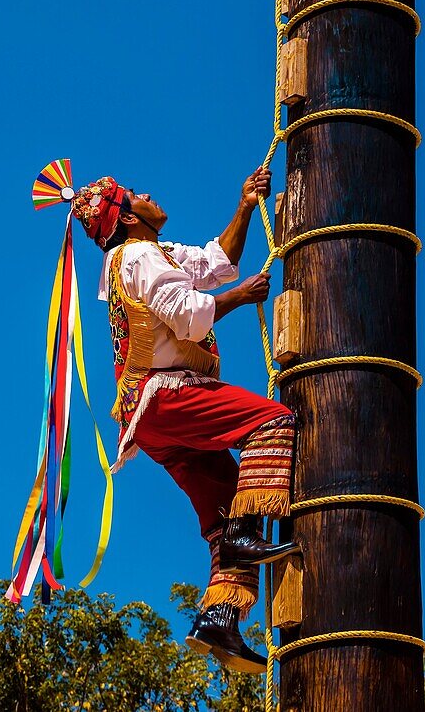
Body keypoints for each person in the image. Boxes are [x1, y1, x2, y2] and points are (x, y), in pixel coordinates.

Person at [71, 167, 300, 674]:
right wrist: (241, 297)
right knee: (274, 422)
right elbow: (187, 312)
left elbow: (217, 260)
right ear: (129, 216)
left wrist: (244, 206)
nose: (150, 193)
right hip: (167, 397)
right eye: (137, 195)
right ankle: (244, 533)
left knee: (222, 503)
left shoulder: (148, 254)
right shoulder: (139, 255)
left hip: (150, 423)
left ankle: (218, 618)